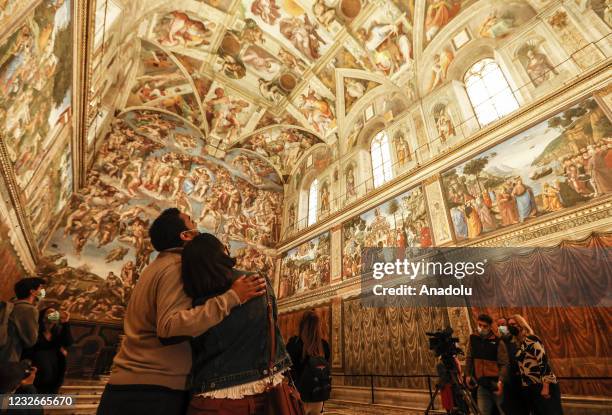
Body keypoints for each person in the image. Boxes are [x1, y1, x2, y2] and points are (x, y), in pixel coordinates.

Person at [97, 209, 267, 415]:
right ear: (186, 236)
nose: (197, 225)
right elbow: (170, 327)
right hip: (152, 390)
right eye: (191, 222)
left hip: (133, 385)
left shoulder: (155, 267)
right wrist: (233, 297)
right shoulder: (176, 267)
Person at [179, 233, 292, 415]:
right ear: (223, 253)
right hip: (263, 389)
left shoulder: (194, 300)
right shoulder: (257, 281)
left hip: (212, 396)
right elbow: (272, 323)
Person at [508, 315, 563, 415]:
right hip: (530, 387)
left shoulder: (532, 339)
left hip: (542, 385)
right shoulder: (519, 344)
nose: (510, 327)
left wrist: (546, 386)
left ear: (521, 325)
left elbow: (543, 361)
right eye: (509, 325)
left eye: (513, 324)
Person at [286, 310, 331, 415]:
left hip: (298, 396)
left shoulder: (294, 343)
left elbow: (285, 369)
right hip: (318, 397)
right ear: (318, 325)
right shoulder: (324, 345)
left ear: (301, 324)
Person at [465, 314, 509, 415]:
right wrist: (467, 374)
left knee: (502, 410)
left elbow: (504, 363)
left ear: (490, 327)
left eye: (485, 326)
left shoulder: (498, 341)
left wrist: (501, 381)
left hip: (495, 382)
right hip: (481, 383)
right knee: (483, 411)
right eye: (480, 325)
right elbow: (469, 357)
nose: (482, 328)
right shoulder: (473, 339)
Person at [22, 308, 73, 394]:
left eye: (54, 313)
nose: (52, 315)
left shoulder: (57, 331)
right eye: (49, 313)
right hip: (36, 370)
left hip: (53, 371)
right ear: (42, 317)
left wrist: (65, 322)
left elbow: (68, 342)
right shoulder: (36, 330)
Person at [0, 278, 46, 363]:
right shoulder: (29, 309)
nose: (42, 291)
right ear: (32, 292)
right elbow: (31, 340)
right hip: (8, 356)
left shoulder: (10, 305)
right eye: (40, 288)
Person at [497, 317, 528, 415]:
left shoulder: (516, 340)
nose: (501, 327)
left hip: (520, 380)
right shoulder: (499, 342)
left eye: (503, 325)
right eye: (498, 326)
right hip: (508, 382)